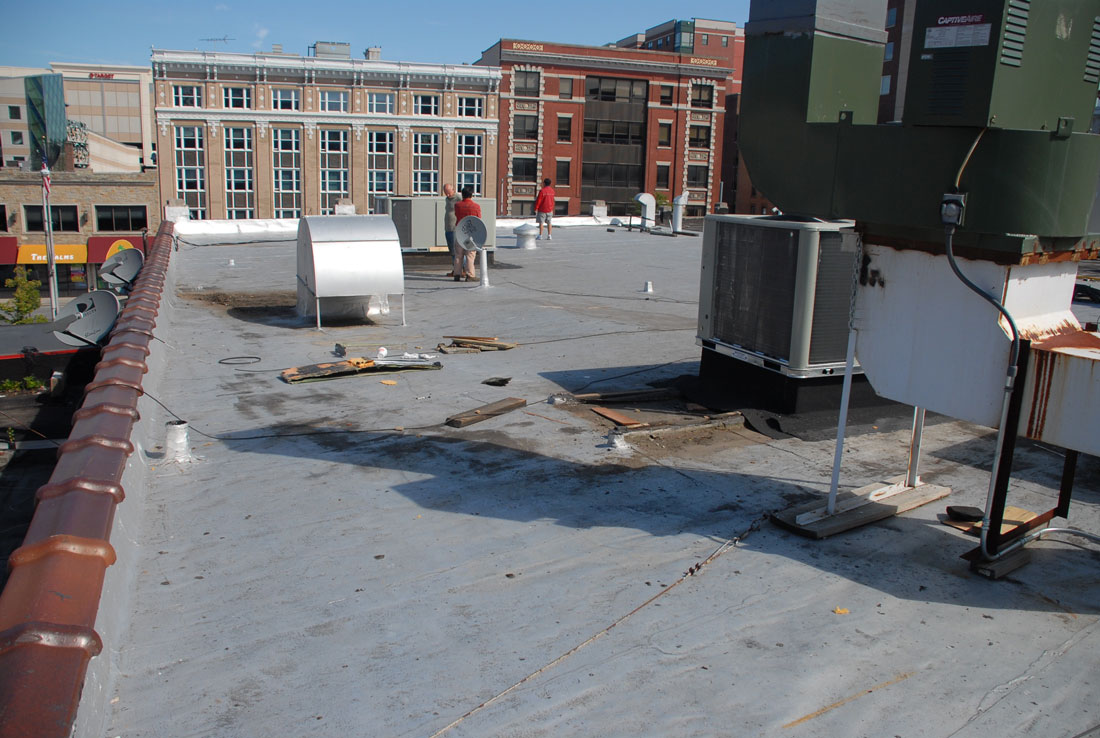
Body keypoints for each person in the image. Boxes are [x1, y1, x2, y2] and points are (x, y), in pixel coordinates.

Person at [453, 186, 481, 282]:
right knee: (470, 254)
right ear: (471, 194)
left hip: (460, 231)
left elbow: (457, 215)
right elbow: (478, 220)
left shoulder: (457, 205)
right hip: (470, 234)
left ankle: (457, 274)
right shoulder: (476, 206)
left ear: (462, 194)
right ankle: (470, 275)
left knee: (458, 254)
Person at [442, 183, 460, 277]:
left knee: (456, 250)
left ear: (453, 190)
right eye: (446, 193)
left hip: (454, 228)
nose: (448, 195)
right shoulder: (447, 199)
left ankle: (460, 269)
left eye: (449, 192)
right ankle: (455, 268)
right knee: (451, 250)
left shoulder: (458, 198)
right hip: (448, 227)